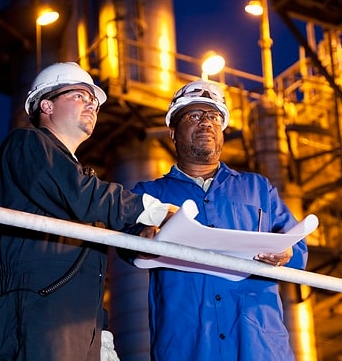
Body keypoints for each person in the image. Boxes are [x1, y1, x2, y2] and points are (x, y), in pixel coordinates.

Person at [0, 62, 177, 361]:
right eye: (80, 96)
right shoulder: (26, 144)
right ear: (46, 104)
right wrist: (147, 209)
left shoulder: (80, 180)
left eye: (94, 102)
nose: (92, 106)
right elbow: (81, 194)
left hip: (77, 321)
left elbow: (86, 265)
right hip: (36, 313)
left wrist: (101, 333)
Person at [126, 79, 308, 361]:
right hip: (189, 345)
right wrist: (143, 237)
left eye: (213, 117)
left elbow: (298, 251)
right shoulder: (149, 194)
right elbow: (126, 244)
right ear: (173, 132)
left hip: (258, 344)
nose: (206, 123)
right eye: (194, 116)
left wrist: (286, 253)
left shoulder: (257, 188)